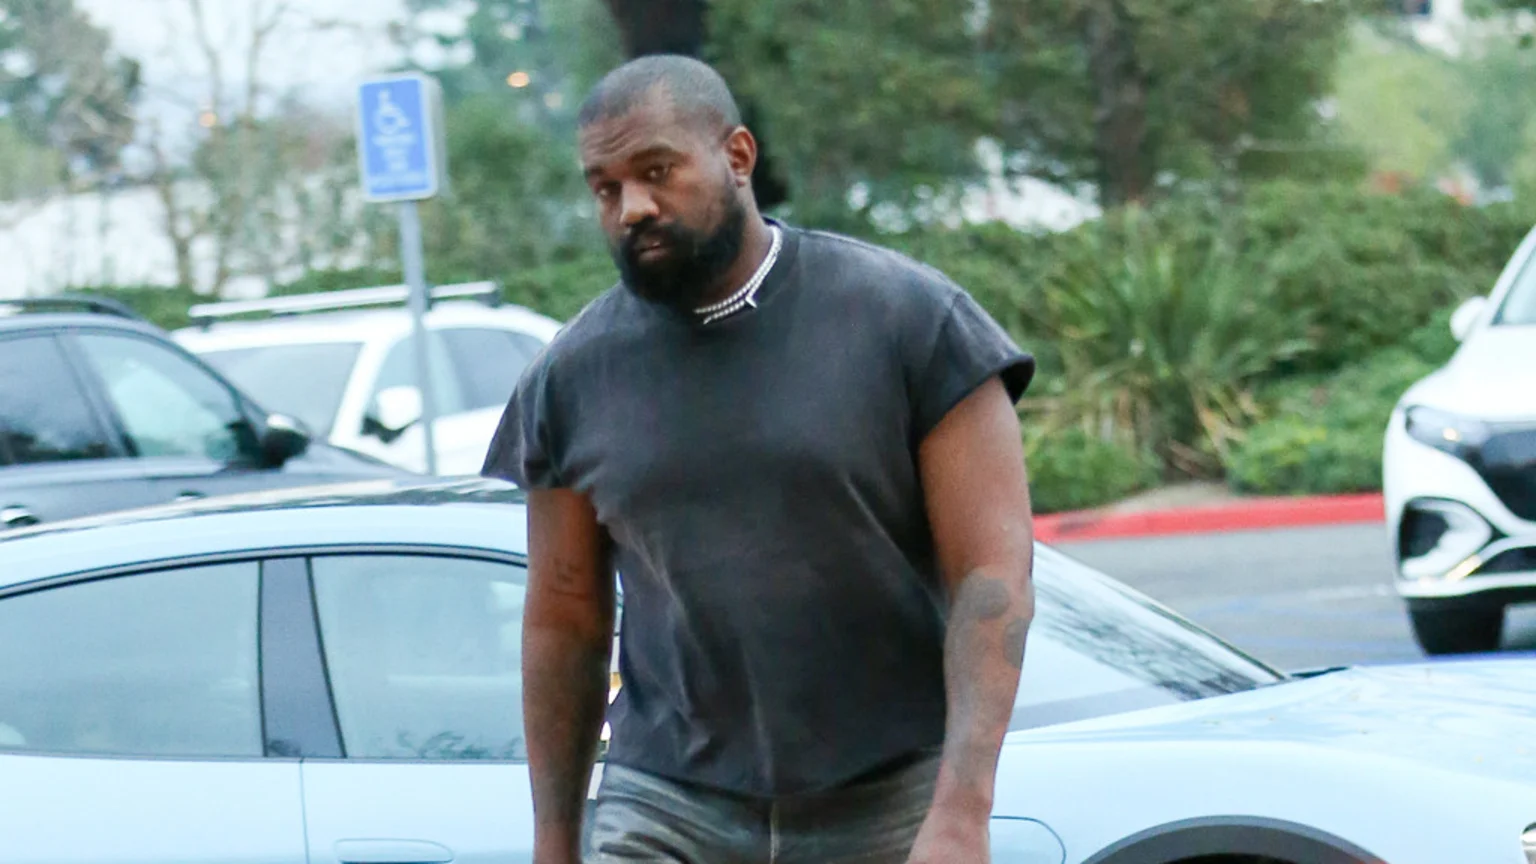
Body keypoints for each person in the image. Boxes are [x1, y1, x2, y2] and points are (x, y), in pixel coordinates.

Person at [482, 54, 1037, 864]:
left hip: (888, 796)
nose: (632, 207)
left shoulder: (910, 323)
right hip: (667, 803)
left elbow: (993, 575)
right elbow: (564, 619)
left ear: (737, 156)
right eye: (605, 188)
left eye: (657, 171)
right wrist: (555, 840)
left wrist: (963, 809)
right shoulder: (570, 379)